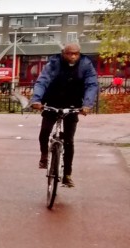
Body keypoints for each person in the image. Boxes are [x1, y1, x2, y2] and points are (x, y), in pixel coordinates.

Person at [30, 42, 98, 187]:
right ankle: (44, 156)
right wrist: (36, 99)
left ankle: (67, 174)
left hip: (73, 105)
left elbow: (91, 84)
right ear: (63, 53)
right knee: (45, 132)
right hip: (52, 102)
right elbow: (42, 81)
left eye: (76, 54)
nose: (73, 56)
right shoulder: (54, 63)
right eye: (69, 53)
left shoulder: (86, 65)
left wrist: (87, 104)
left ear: (79, 54)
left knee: (69, 141)